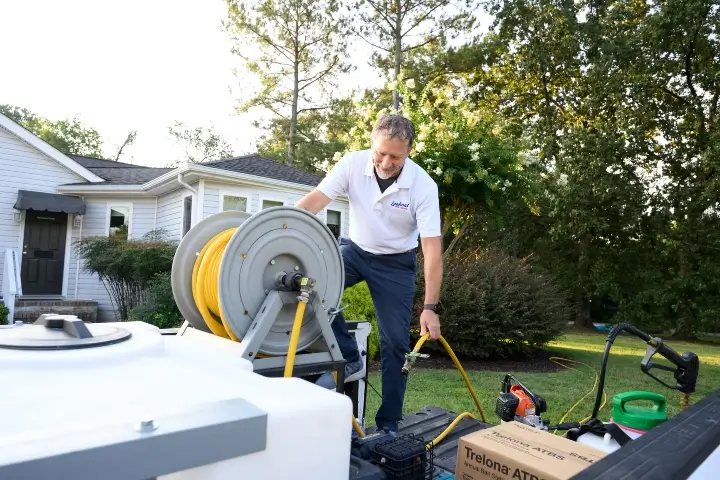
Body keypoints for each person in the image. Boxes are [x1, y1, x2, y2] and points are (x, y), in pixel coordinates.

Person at [295, 113, 444, 434]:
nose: (386, 162)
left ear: (409, 151)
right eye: (381, 153)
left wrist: (430, 308)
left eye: (396, 156)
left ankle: (389, 423)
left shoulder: (423, 186)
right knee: (307, 284)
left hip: (396, 264)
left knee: (394, 344)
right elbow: (311, 204)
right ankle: (349, 356)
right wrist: (274, 230)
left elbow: (432, 252)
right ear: (371, 143)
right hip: (354, 251)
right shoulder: (351, 164)